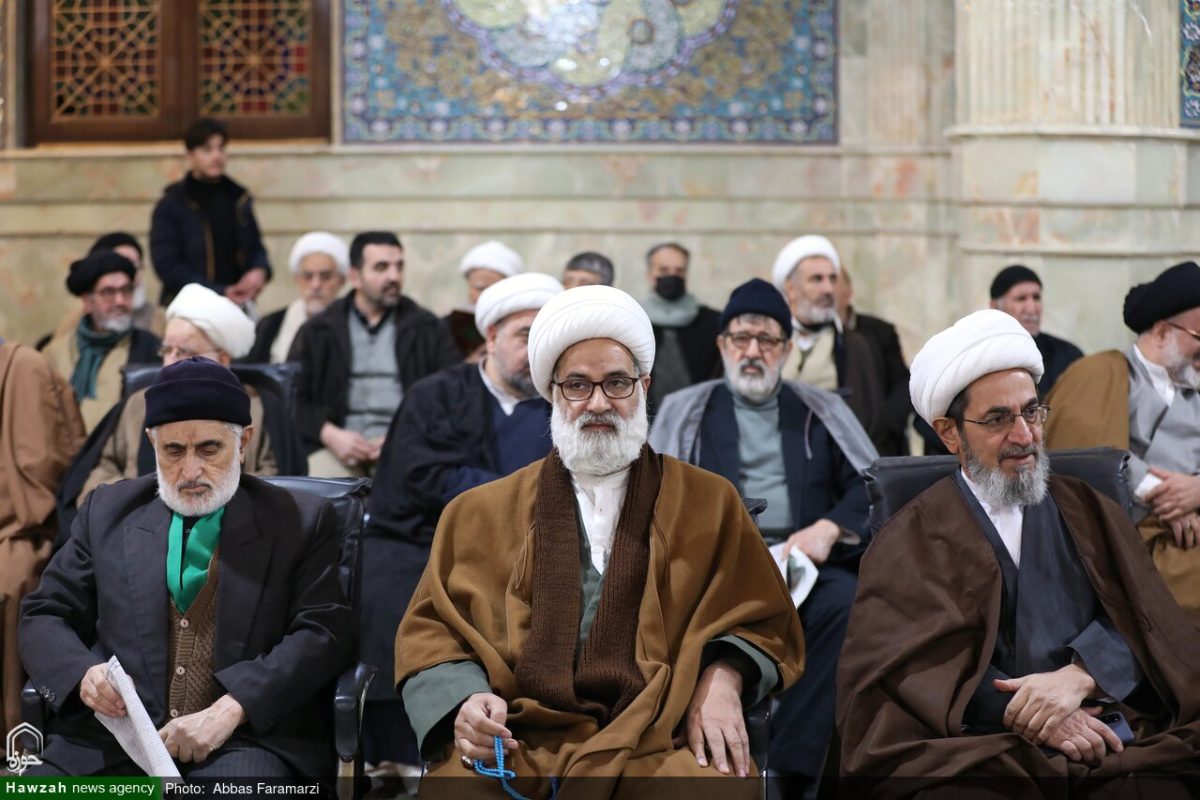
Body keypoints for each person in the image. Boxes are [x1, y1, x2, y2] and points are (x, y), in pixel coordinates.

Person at [396, 285, 803, 791]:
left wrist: (723, 680)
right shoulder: (477, 513)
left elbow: (761, 618)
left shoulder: (710, 501)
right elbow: (432, 632)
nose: (597, 403)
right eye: (577, 385)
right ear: (553, 393)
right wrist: (465, 701)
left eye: (616, 383)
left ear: (644, 387)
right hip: (517, 736)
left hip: (661, 732)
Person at [837, 309, 1200, 788]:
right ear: (949, 432)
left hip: (1104, 725)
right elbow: (908, 669)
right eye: (998, 419)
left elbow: (1145, 622)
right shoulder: (910, 537)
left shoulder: (1089, 509)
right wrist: (1029, 712)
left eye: (1031, 411)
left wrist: (1082, 676)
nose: (1024, 436)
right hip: (977, 742)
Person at [20, 358, 352, 777]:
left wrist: (234, 707)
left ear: (244, 442)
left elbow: (322, 632)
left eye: (209, 449)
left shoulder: (301, 520)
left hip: (244, 739)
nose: (190, 471)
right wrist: (82, 674)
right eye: (173, 451)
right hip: (114, 739)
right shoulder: (107, 512)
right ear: (151, 442)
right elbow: (44, 613)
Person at [649, 277, 876, 792]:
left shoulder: (821, 410)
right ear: (722, 344)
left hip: (805, 562)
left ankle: (791, 773)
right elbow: (657, 492)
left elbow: (869, 486)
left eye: (767, 339)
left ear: (786, 348)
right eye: (741, 338)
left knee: (846, 604)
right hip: (715, 563)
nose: (752, 351)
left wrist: (830, 528)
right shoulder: (686, 409)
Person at [359, 273, 561, 776]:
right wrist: (507, 496)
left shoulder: (562, 405)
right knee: (389, 592)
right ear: (490, 337)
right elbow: (418, 477)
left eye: (544, 340)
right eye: (524, 336)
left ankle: (518, 740)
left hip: (527, 549)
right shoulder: (435, 394)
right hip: (421, 539)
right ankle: (398, 755)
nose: (534, 352)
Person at [1044, 261, 1200, 623]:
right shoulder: (1103, 371)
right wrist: (1162, 493)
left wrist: (1195, 491)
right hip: (1124, 541)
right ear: (1162, 332)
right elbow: (1083, 454)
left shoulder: (1194, 390)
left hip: (1185, 538)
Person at [76, 283, 281, 502]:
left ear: (222, 359)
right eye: (167, 350)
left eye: (183, 351)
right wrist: (138, 505)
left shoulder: (256, 407)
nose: (171, 360)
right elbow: (100, 468)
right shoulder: (138, 403)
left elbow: (272, 483)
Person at [290, 231, 460, 477]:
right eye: (381, 267)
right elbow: (293, 395)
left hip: (406, 443)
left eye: (399, 266)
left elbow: (450, 395)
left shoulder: (427, 328)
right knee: (318, 487)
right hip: (335, 445)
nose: (394, 276)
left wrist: (404, 435)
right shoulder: (318, 330)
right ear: (355, 276)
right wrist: (329, 434)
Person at [0, 338, 85, 732]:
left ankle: (13, 730)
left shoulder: (24, 367)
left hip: (21, 519)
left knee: (12, 576)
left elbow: (50, 463)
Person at [772, 235, 905, 456]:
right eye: (816, 279)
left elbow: (870, 423)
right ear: (791, 288)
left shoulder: (855, 346)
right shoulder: (768, 341)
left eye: (832, 279)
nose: (828, 289)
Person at [149, 118, 271, 308]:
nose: (216, 156)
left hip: (235, 304)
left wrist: (259, 269)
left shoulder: (238, 198)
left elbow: (255, 247)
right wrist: (217, 291)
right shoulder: (172, 204)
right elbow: (167, 265)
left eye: (221, 148)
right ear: (191, 155)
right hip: (187, 306)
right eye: (207, 149)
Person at [41, 250, 161, 431]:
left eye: (126, 290)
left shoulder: (150, 348)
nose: (120, 301)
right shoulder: (55, 353)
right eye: (108, 292)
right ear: (88, 302)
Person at [639, 242, 721, 410]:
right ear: (649, 274)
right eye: (664, 270)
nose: (672, 276)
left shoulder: (713, 322)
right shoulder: (634, 319)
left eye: (679, 271)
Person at [247, 232, 348, 364]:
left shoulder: (353, 322)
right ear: (297, 278)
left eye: (325, 277)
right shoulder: (270, 325)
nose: (316, 285)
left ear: (341, 280)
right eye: (307, 276)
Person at [990, 264, 1083, 395]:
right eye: (1021, 298)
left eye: (1036, 298)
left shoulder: (1067, 355)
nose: (1032, 308)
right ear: (995, 307)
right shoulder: (984, 355)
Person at [443, 240, 525, 362]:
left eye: (492, 289)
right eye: (480, 288)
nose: (485, 296)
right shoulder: (444, 327)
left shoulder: (522, 324)